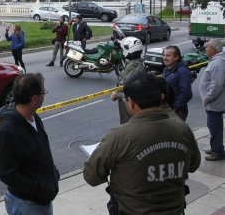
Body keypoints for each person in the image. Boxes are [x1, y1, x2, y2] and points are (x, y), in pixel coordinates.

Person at [84, 73, 201, 215]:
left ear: (131, 102)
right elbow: (193, 165)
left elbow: (91, 176)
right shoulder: (182, 129)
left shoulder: (120, 136)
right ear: (161, 97)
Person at [0, 73, 60, 215]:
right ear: (34, 99)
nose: (45, 95)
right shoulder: (8, 131)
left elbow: (41, 152)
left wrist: (53, 175)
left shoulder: (33, 117)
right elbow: (7, 174)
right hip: (26, 205)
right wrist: (40, 187)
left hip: (41, 199)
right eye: (44, 92)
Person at [199, 39, 225, 161]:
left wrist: (208, 98)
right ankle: (216, 147)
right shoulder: (216, 61)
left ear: (213, 49)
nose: (205, 49)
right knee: (213, 126)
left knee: (215, 126)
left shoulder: (218, 63)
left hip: (214, 102)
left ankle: (217, 151)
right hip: (213, 102)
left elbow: (218, 84)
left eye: (207, 47)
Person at [111, 36, 146, 124]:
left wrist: (116, 93)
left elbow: (126, 85)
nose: (122, 51)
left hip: (127, 100)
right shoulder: (133, 63)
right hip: (128, 100)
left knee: (127, 123)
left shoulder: (134, 67)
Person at [162, 45, 192, 121]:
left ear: (176, 57)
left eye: (168, 56)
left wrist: (176, 107)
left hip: (177, 112)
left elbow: (186, 92)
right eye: (164, 55)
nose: (165, 58)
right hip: (167, 109)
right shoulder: (166, 69)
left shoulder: (182, 71)